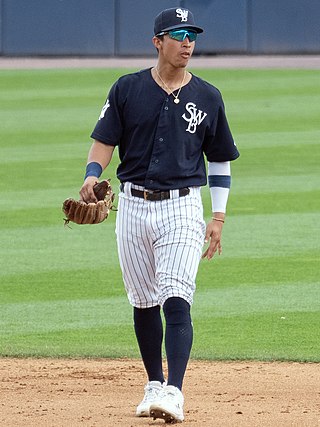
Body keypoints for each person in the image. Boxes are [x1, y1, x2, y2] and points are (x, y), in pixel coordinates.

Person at [79, 6, 239, 424]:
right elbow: (103, 141)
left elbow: (220, 161)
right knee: (144, 299)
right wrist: (91, 177)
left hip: (183, 207)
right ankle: (153, 381)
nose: (188, 42)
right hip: (131, 206)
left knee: (176, 297)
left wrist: (217, 218)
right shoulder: (127, 89)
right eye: (179, 34)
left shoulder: (208, 96)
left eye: (192, 35)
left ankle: (175, 391)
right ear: (158, 41)